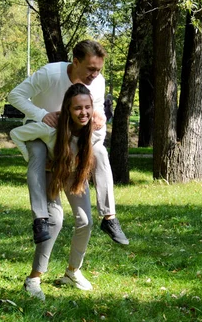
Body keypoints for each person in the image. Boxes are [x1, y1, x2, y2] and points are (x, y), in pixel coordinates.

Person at [8, 39, 128, 246]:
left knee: (99, 151)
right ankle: (40, 219)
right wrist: (41, 114)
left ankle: (109, 217)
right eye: (91, 69)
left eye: (99, 69)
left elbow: (96, 107)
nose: (95, 75)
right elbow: (15, 95)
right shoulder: (50, 74)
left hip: (70, 136)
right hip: (41, 132)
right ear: (75, 62)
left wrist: (99, 115)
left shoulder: (98, 82)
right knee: (37, 154)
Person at [22, 84, 96, 300]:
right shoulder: (52, 128)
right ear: (67, 110)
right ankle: (33, 279)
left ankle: (72, 271)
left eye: (87, 107)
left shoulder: (95, 126)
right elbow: (19, 135)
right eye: (77, 108)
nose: (83, 113)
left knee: (85, 220)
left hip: (75, 172)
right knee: (55, 220)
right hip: (50, 170)